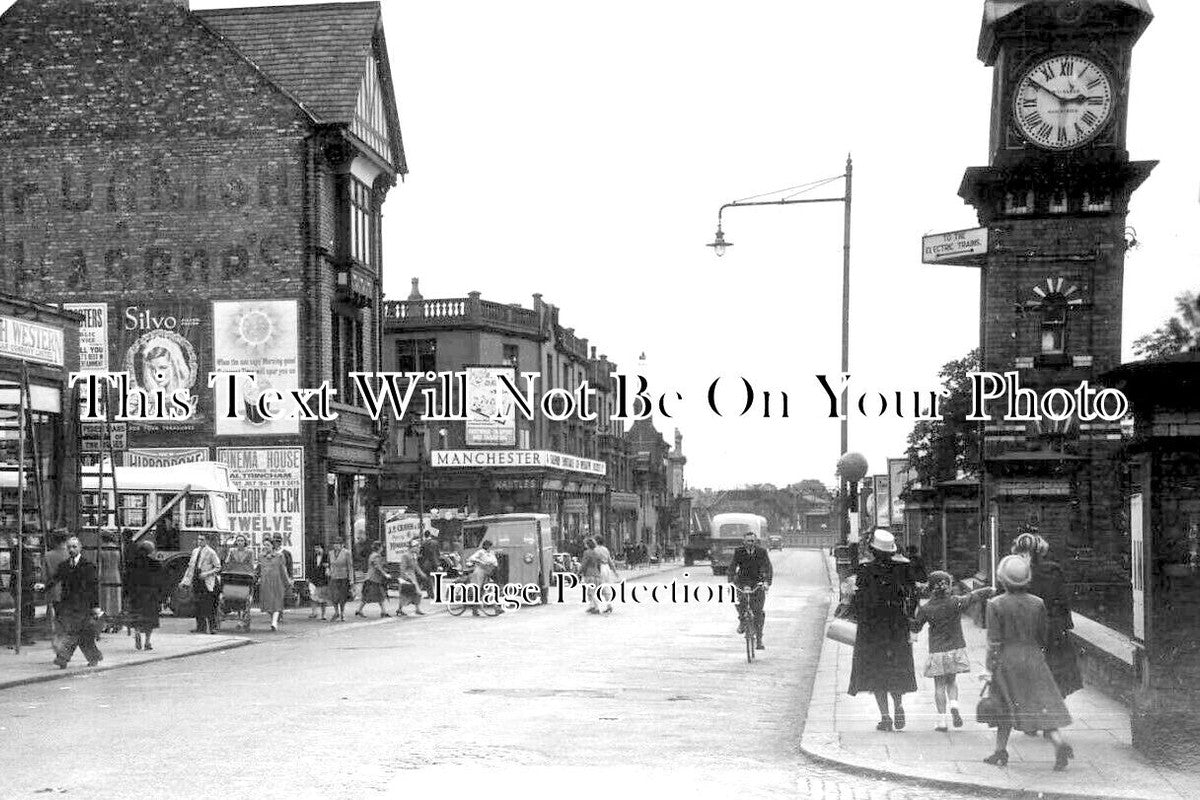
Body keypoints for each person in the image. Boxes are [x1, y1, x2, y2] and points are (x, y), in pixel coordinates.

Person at [982, 555, 1074, 771]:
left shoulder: (994, 604)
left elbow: (993, 640)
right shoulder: (1038, 603)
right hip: (1033, 657)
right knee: (1041, 705)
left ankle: (1000, 751)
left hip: (1006, 659)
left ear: (1002, 579)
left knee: (1004, 704)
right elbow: (1043, 634)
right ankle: (1058, 743)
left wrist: (989, 666)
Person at [847, 529, 918, 731]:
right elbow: (913, 596)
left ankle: (885, 717)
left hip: (872, 628)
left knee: (876, 672)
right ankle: (898, 705)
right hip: (897, 626)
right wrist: (909, 617)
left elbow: (858, 601)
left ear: (872, 550)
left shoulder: (865, 570)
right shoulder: (903, 568)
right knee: (895, 668)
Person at [911, 570, 994, 731]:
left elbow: (915, 626)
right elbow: (973, 596)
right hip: (955, 649)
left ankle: (942, 721)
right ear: (948, 586)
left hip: (937, 652)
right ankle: (954, 706)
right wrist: (989, 590)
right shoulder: (956, 602)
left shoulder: (927, 608)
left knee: (939, 686)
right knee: (951, 682)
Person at [1012, 533, 1083, 699]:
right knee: (1054, 673)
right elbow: (1064, 602)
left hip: (1029, 631)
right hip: (1053, 630)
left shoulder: (1017, 575)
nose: (1021, 557)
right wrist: (1065, 626)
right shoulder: (1054, 571)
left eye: (1023, 553)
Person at [35, 537, 103, 669]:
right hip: (68, 603)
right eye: (69, 547)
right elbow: (55, 579)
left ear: (80, 548)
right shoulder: (64, 565)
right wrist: (44, 587)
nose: (71, 550)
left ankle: (62, 658)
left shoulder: (88, 566)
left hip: (84, 604)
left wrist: (95, 606)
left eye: (74, 547)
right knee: (82, 634)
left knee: (72, 631)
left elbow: (93, 588)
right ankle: (93, 656)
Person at [729, 530, 773, 649]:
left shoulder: (762, 552)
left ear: (755, 541)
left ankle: (759, 639)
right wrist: (731, 582)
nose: (750, 543)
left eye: (752, 541)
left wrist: (766, 582)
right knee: (740, 602)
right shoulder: (739, 552)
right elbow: (732, 567)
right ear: (744, 541)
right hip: (742, 582)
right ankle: (743, 620)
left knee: (758, 611)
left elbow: (768, 567)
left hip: (757, 583)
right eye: (748, 541)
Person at [180, 533, 221, 634]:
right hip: (196, 579)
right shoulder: (195, 551)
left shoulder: (211, 552)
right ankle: (200, 627)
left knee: (209, 605)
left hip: (206, 581)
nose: (200, 542)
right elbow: (190, 567)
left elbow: (218, 567)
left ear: (206, 541)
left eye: (202, 540)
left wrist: (206, 574)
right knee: (197, 604)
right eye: (199, 540)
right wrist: (184, 581)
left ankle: (212, 627)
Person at [127, 539, 161, 651]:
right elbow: (160, 581)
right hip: (151, 595)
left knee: (137, 616)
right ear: (151, 551)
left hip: (137, 593)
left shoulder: (133, 564)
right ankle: (147, 642)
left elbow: (128, 579)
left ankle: (137, 632)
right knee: (150, 620)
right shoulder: (156, 564)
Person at [258, 538, 292, 630]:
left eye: (268, 545)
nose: (265, 547)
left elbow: (283, 569)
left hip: (277, 581)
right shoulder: (261, 556)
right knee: (267, 604)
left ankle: (274, 622)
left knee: (277, 602)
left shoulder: (279, 556)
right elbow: (259, 569)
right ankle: (273, 618)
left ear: (273, 546)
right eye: (264, 545)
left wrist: (287, 581)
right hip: (265, 582)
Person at [355, 541, 391, 618]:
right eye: (381, 547)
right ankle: (359, 610)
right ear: (379, 547)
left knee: (377, 595)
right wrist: (385, 574)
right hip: (374, 578)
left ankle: (383, 611)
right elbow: (377, 566)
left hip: (371, 578)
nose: (382, 548)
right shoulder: (376, 556)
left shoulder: (372, 555)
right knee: (374, 595)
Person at [465, 539, 500, 617]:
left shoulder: (491, 553)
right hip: (480, 572)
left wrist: (494, 564)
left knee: (487, 589)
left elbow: (495, 562)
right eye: (490, 546)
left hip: (488, 572)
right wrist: (481, 562)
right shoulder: (480, 552)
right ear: (486, 546)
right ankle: (495, 608)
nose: (491, 547)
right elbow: (471, 558)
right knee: (479, 590)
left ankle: (494, 608)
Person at [395, 538, 428, 616]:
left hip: (412, 577)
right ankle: (401, 609)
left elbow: (416, 567)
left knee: (415, 593)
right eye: (416, 547)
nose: (418, 548)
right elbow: (402, 568)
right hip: (407, 578)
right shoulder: (405, 555)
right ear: (412, 547)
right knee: (406, 594)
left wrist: (422, 574)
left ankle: (416, 609)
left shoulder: (414, 556)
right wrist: (405, 577)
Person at [328, 538, 353, 621]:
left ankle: (342, 613)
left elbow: (350, 566)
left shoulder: (346, 553)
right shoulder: (330, 553)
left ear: (342, 545)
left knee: (342, 596)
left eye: (338, 543)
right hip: (333, 576)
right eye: (334, 543)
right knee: (334, 596)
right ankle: (336, 612)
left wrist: (351, 579)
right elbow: (329, 564)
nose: (336, 545)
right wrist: (328, 571)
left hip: (343, 577)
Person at [308, 542, 331, 620]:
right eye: (315, 548)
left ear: (322, 548)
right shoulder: (312, 556)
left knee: (323, 598)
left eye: (318, 547)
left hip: (323, 580)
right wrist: (308, 578)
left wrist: (328, 568)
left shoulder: (327, 556)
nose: (317, 549)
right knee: (313, 596)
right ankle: (314, 612)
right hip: (314, 579)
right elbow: (309, 567)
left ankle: (323, 614)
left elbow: (330, 566)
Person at [418, 532, 440, 598]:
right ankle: (434, 594)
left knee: (427, 579)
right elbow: (438, 553)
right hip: (435, 563)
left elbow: (421, 554)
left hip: (427, 564)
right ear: (430, 535)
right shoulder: (436, 542)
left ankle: (430, 594)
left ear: (425, 536)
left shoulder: (424, 543)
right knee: (434, 578)